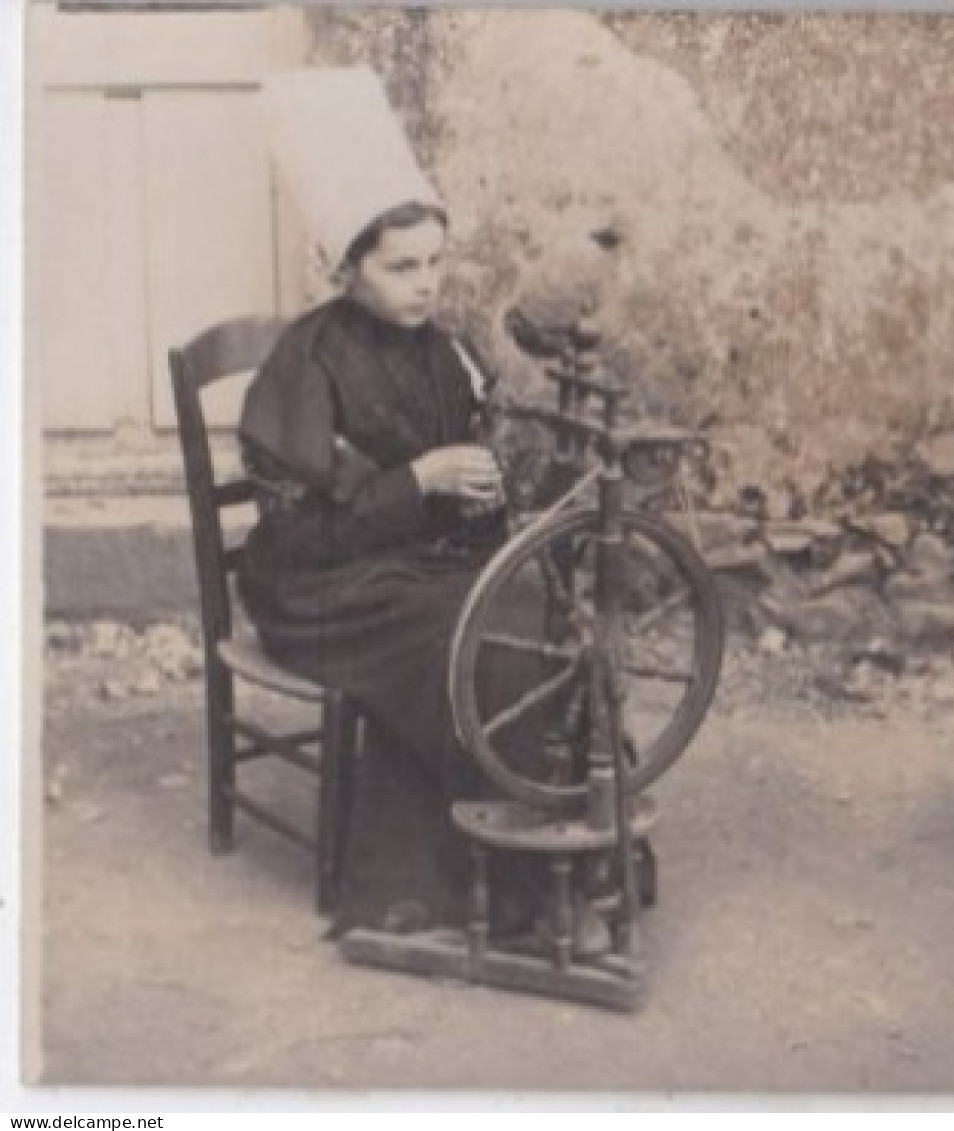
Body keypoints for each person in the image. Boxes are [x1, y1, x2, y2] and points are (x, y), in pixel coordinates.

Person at [239, 68, 596, 949]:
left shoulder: (441, 353)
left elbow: (445, 488)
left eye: (436, 262)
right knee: (469, 637)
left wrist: (474, 492)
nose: (426, 284)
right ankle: (498, 891)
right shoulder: (304, 364)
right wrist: (420, 483)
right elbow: (300, 535)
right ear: (345, 268)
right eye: (401, 267)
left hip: (405, 568)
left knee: (534, 616)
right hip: (315, 587)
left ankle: (553, 857)